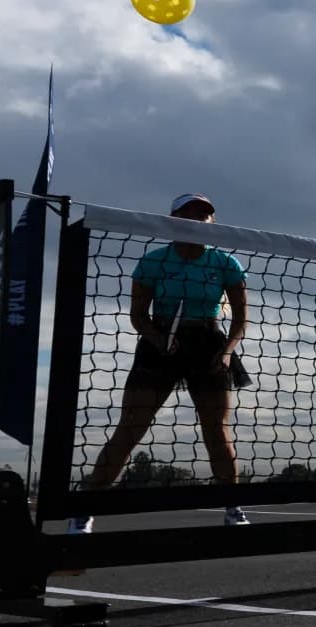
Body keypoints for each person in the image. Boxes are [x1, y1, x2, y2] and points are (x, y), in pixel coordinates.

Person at [74, 193, 252, 530]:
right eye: (190, 214)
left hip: (208, 344)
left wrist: (227, 350)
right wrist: (159, 341)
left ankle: (233, 507)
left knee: (217, 431)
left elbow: (241, 318)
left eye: (205, 215)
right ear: (173, 219)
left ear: (212, 223)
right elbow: (138, 315)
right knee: (130, 429)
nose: (198, 220)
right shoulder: (153, 262)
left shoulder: (226, 263)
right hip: (160, 342)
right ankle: (84, 510)